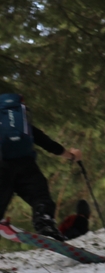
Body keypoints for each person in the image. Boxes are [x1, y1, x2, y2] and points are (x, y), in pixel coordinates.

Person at [0, 87, 83, 241]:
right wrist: (72, 156)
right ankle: (44, 222)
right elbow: (49, 145)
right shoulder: (25, 127)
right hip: (26, 166)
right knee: (41, 198)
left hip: (2, 166)